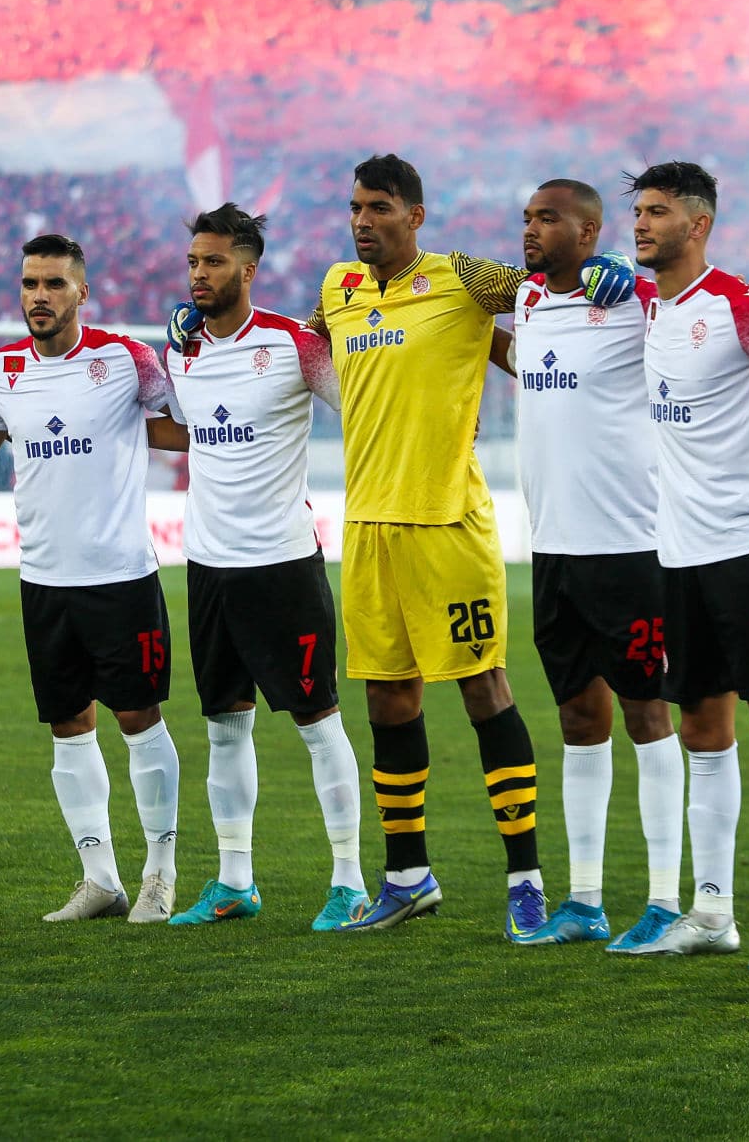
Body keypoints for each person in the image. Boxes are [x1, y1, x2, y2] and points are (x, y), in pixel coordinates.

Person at [307, 154, 631, 940]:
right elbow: (304, 345)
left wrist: (610, 271)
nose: (362, 221)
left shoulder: (464, 277)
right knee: (388, 699)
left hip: (448, 521)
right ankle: (407, 876)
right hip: (368, 526)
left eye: (379, 207)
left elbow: (542, 289)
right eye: (355, 207)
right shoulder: (338, 288)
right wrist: (212, 325)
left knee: (485, 688)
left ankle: (526, 880)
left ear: (414, 216)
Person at [0, 234, 187, 925]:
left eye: (54, 283)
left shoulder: (126, 359)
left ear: (82, 291)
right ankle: (99, 879)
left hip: (121, 576)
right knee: (68, 726)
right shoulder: (2, 371)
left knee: (138, 719)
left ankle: (160, 875)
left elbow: (180, 424)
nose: (39, 296)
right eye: (30, 284)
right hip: (44, 579)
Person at [615, 161, 749, 963]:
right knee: (701, 727)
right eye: (638, 210)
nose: (641, 223)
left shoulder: (743, 305)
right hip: (678, 554)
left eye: (657, 211)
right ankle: (713, 910)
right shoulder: (647, 307)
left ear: (698, 225)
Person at [158, 205, 369, 931]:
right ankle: (234, 881)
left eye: (214, 262)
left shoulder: (293, 344)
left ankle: (350, 881)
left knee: (317, 721)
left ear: (248, 270)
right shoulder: (182, 350)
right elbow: (176, 424)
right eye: (193, 262)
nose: (198, 274)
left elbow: (364, 405)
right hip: (208, 566)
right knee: (224, 726)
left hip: (281, 565)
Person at [489, 180, 687, 950]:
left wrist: (636, 278)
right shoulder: (529, 300)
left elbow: (704, 308)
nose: (530, 230)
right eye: (526, 218)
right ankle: (585, 900)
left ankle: (665, 899)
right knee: (578, 720)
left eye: (547, 218)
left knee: (647, 714)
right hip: (553, 548)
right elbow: (527, 359)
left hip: (631, 545)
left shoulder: (636, 301)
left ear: (590, 231)